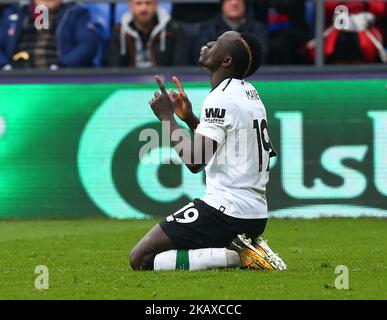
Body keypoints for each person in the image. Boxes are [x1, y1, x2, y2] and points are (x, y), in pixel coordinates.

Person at [129, 31, 287, 271]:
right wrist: (191, 118)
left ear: (226, 61)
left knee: (140, 258)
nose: (209, 43)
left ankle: (240, 255)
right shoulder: (249, 93)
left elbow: (195, 161)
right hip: (254, 214)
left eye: (217, 43)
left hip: (226, 212)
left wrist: (166, 117)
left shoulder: (220, 98)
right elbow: (222, 146)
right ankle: (245, 247)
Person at [0, 0, 99, 70]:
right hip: (17, 77)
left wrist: (61, 67)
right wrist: (4, 66)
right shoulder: (14, 12)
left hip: (58, 78)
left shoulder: (76, 12)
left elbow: (88, 44)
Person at [110, 0, 189, 68]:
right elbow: (114, 70)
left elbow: (180, 67)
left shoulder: (173, 30)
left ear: (155, 4)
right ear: (130, 6)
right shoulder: (119, 31)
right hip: (129, 83)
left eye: (148, 3)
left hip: (164, 83)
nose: (143, 9)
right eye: (138, 3)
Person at [193, 0, 268, 65]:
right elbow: (202, 55)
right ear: (222, 4)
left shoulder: (258, 28)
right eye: (228, 0)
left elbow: (261, 55)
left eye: (239, 0)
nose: (234, 3)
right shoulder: (208, 27)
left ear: (245, 4)